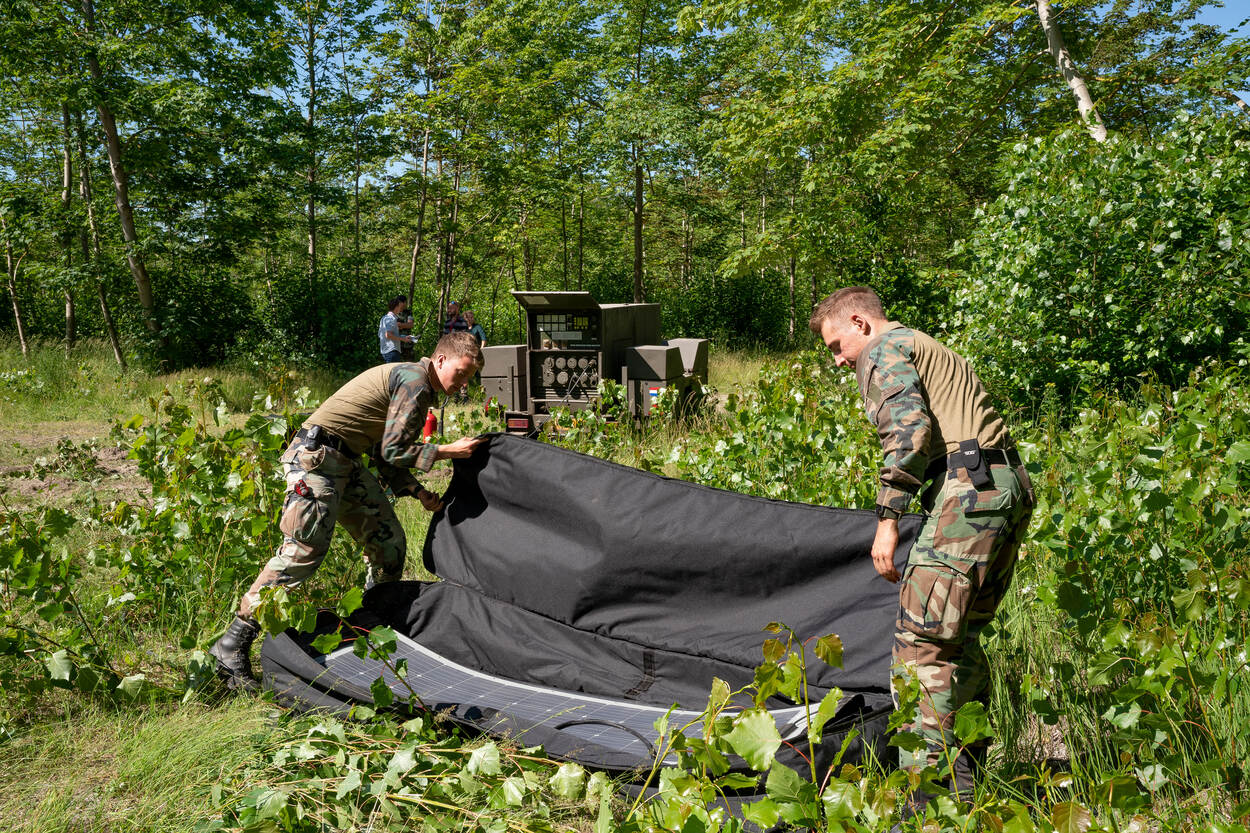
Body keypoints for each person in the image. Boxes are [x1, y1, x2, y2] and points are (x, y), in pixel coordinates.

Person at [809, 287, 1033, 810]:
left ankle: (928, 802)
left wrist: (887, 519)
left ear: (860, 323)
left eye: (837, 345)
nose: (840, 360)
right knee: (960, 639)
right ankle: (968, 785)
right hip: (1004, 484)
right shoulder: (925, 344)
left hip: (969, 493)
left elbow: (908, 431)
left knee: (921, 645)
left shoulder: (883, 350)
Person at [208, 332, 486, 690]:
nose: (462, 384)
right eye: (461, 373)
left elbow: (385, 454)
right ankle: (232, 644)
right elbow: (396, 450)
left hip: (343, 462)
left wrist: (416, 492)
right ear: (441, 360)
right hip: (316, 461)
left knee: (388, 543)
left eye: (469, 378)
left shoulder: (418, 386)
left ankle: (370, 625)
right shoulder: (414, 381)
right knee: (303, 551)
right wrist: (448, 450)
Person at [379, 295, 414, 363]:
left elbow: (382, 335)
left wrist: (403, 336)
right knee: (395, 372)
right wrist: (402, 339)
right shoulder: (390, 318)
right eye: (399, 306)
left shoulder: (384, 318)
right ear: (397, 306)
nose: (400, 308)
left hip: (390, 349)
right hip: (392, 350)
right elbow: (388, 335)